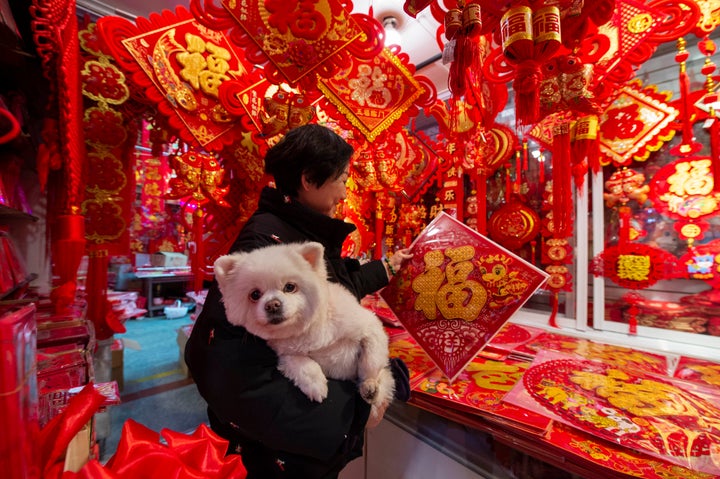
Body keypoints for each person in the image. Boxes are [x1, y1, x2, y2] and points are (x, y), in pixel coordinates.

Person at [185, 124, 412, 479]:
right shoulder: (266, 242)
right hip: (276, 453)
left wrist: (386, 267)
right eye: (341, 179)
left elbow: (337, 286)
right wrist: (349, 413)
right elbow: (224, 363)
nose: (344, 191)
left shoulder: (299, 230)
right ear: (309, 180)